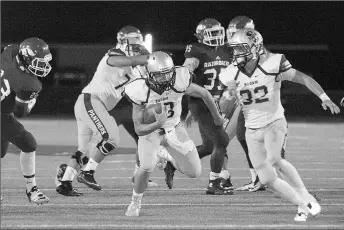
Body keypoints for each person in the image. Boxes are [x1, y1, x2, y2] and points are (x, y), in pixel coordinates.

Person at [220, 28, 340, 221]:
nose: (236, 53)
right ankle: (302, 204)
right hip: (252, 131)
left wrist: (324, 97)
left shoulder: (273, 63)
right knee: (267, 179)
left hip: (274, 123)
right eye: (234, 49)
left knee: (275, 158)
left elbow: (303, 78)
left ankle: (305, 197)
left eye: (241, 48)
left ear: (255, 47)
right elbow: (224, 107)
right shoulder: (230, 73)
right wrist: (229, 94)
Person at [123, 51, 225, 216]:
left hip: (175, 128)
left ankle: (167, 157)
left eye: (168, 74)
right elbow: (139, 129)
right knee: (147, 165)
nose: (165, 79)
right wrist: (158, 123)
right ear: (150, 75)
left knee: (195, 172)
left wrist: (217, 117)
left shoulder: (179, 79)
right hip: (152, 131)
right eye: (160, 75)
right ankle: (135, 201)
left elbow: (204, 94)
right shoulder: (140, 90)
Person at [55, 26, 152, 196]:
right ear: (123, 41)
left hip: (91, 104)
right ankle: (88, 172)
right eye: (134, 42)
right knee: (112, 137)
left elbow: (141, 86)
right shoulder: (113, 54)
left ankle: (65, 183)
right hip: (91, 100)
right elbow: (128, 61)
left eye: (139, 43)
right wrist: (147, 59)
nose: (137, 46)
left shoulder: (135, 71)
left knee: (84, 150)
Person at [181, 18, 235, 195]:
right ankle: (215, 183)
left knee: (208, 147)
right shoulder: (196, 49)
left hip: (220, 102)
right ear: (201, 36)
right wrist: (186, 70)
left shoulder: (228, 49)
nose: (217, 37)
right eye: (212, 34)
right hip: (201, 103)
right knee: (222, 141)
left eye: (219, 32)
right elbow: (190, 64)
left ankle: (173, 163)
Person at [1, 37, 52, 204]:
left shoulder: (11, 51)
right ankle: (32, 189)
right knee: (29, 144)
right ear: (27, 58)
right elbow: (21, 112)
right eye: (38, 62)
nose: (43, 66)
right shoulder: (29, 83)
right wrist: (30, 102)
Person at [225, 15, 266, 192]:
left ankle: (262, 177)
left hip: (260, 104)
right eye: (231, 33)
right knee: (241, 137)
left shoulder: (257, 54)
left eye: (237, 33)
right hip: (245, 102)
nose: (233, 38)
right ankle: (259, 177)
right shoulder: (237, 51)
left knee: (250, 138)